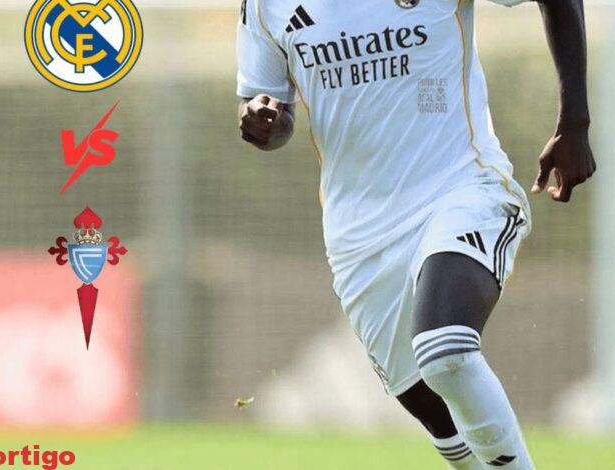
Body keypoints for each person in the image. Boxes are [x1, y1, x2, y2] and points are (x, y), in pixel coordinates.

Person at [236, 0, 595, 468]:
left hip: (460, 188)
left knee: (446, 351)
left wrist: (574, 123)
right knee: (435, 411)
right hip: (359, 235)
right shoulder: (264, 6)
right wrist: (262, 120)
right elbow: (270, 105)